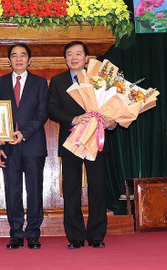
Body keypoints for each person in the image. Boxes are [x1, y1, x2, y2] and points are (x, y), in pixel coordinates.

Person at [47, 41, 116, 249]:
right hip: (71, 140)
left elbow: (113, 105)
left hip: (96, 138)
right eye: (70, 54)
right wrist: (74, 119)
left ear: (87, 58)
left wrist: (112, 122)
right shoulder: (58, 81)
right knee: (71, 188)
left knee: (97, 188)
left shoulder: (99, 79)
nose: (74, 57)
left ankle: (96, 235)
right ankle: (75, 236)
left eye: (79, 53)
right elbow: (51, 108)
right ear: (65, 59)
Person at [0, 43, 49, 249]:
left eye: (23, 55)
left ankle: (33, 232)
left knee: (34, 190)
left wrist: (24, 133)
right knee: (13, 191)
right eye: (14, 56)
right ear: (9, 60)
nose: (18, 59)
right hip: (8, 147)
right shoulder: (0, 83)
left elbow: (42, 113)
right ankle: (16, 233)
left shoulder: (40, 82)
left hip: (33, 144)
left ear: (29, 60)